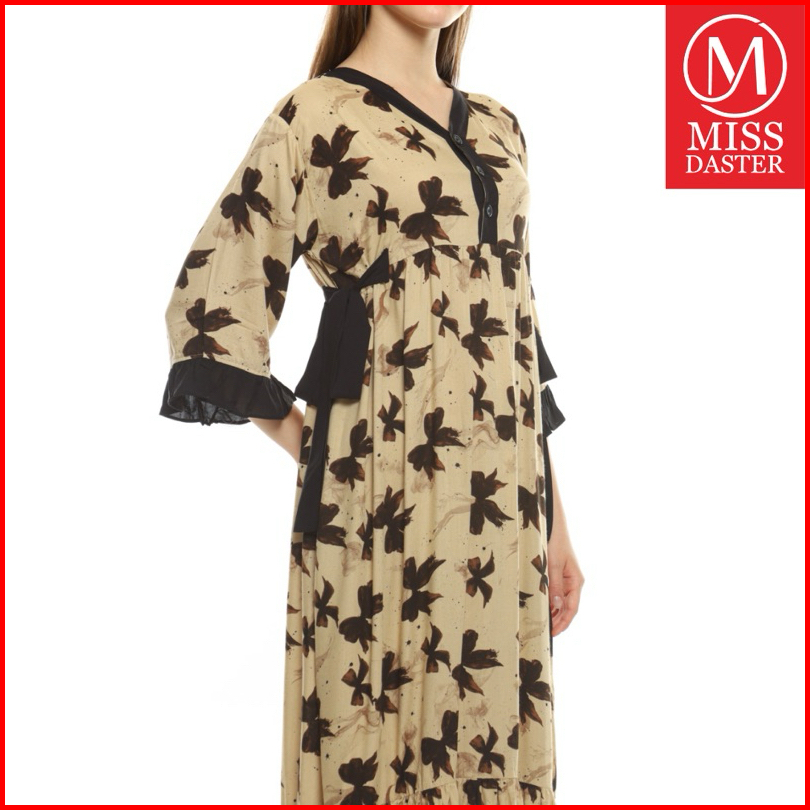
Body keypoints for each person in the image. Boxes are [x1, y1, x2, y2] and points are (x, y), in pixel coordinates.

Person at [159, 5, 584, 805]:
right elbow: (214, 302)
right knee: (374, 734)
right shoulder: (314, 115)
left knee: (490, 734)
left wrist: (556, 522)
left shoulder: (501, 127)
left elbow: (517, 332)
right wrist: (319, 448)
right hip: (381, 499)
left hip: (502, 511)